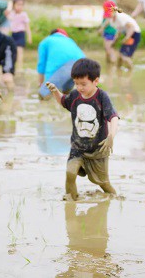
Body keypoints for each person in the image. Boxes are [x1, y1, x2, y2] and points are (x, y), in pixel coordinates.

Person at [44, 58, 119, 200]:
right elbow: (64, 101)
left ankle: (114, 197)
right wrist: (55, 92)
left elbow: (113, 117)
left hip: (98, 149)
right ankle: (70, 200)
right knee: (70, 172)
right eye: (76, 83)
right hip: (77, 147)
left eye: (83, 84)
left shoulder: (102, 97)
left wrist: (111, 136)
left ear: (96, 81)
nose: (79, 87)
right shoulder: (75, 95)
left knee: (103, 183)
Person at [37, 29, 85, 100]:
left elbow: (42, 65)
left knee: (43, 93)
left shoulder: (46, 41)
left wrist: (42, 84)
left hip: (67, 67)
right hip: (83, 64)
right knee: (66, 93)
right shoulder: (69, 40)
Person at [104, 1, 141, 70]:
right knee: (120, 57)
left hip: (134, 34)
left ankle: (131, 71)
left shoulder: (120, 17)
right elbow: (119, 32)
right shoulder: (112, 21)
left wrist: (126, 38)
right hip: (128, 34)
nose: (108, 16)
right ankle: (119, 73)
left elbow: (132, 28)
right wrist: (114, 42)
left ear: (114, 11)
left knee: (124, 56)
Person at [8, 0, 32, 72]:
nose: (20, 7)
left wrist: (29, 36)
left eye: (21, 5)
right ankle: (13, 66)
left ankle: (20, 67)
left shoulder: (24, 14)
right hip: (13, 34)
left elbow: (27, 26)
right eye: (18, 5)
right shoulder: (12, 14)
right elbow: (7, 16)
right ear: (13, 5)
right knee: (13, 51)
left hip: (21, 34)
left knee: (20, 51)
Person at [98, 0, 119, 64]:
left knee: (109, 48)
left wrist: (101, 28)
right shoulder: (113, 1)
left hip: (110, 29)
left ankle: (113, 68)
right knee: (108, 49)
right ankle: (109, 66)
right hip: (113, 28)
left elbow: (109, 18)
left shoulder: (108, 3)